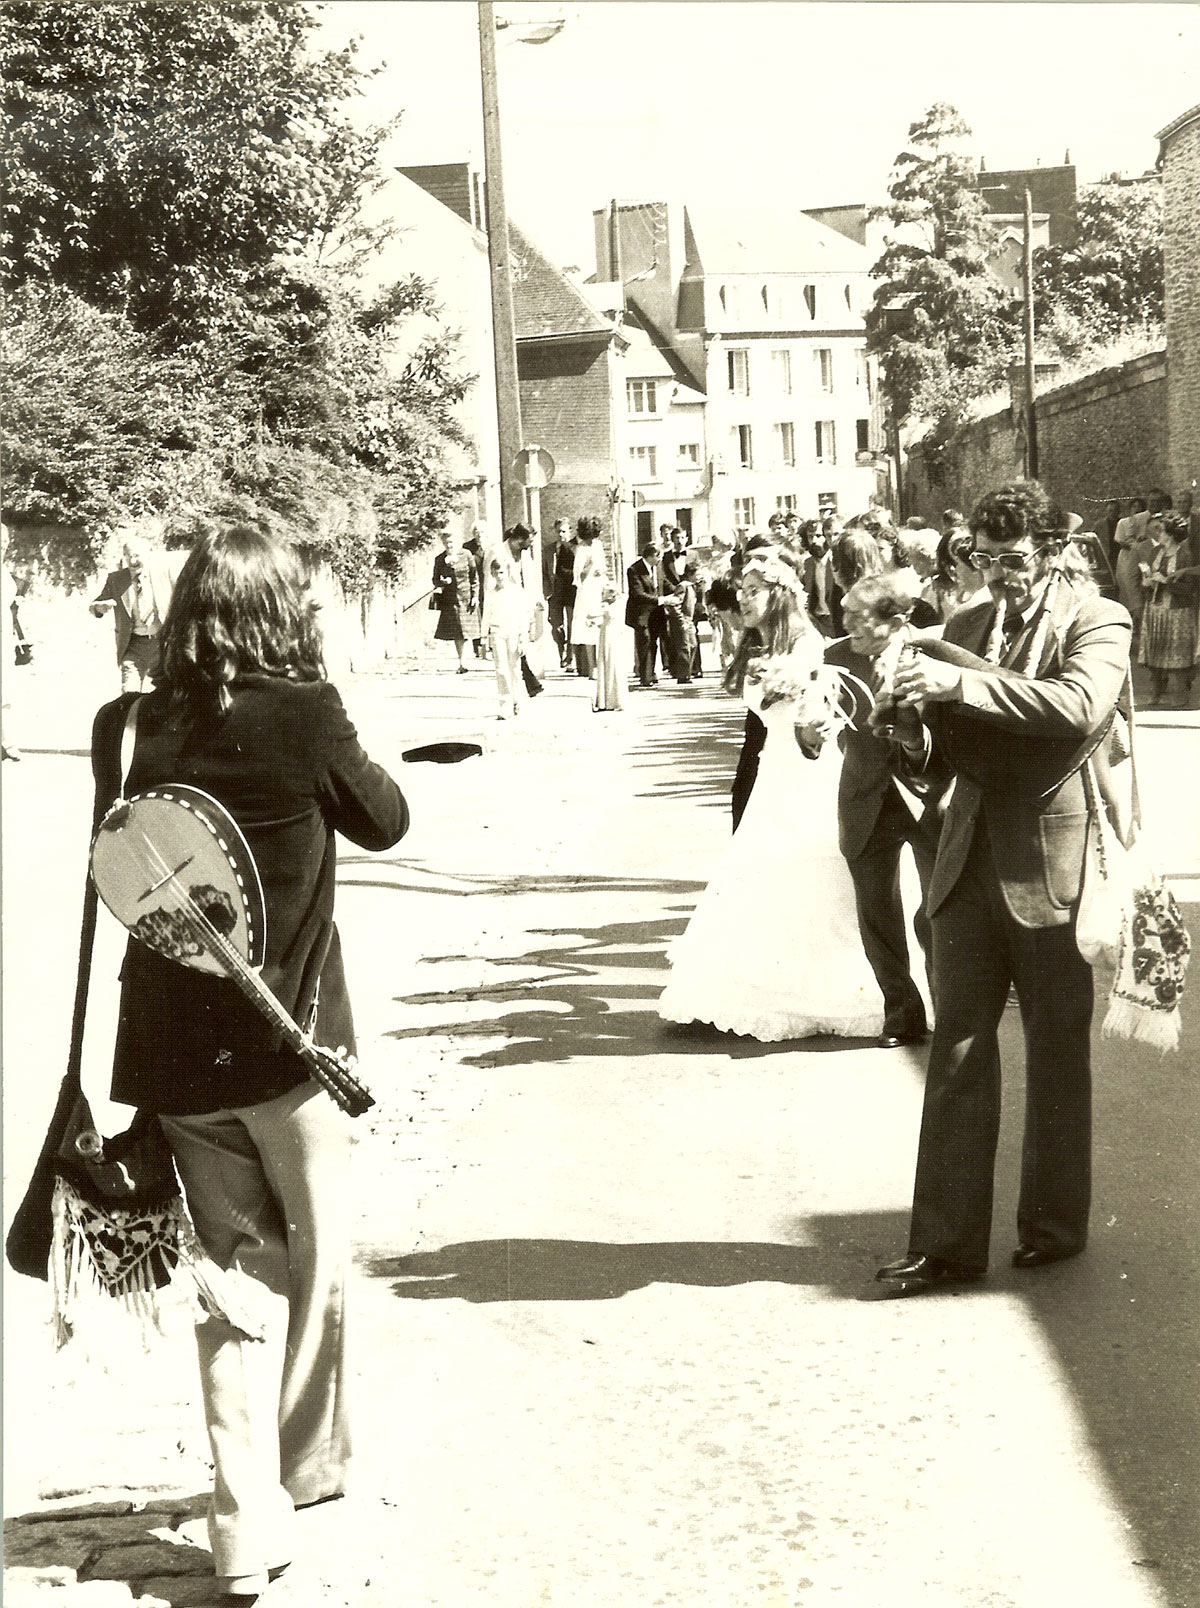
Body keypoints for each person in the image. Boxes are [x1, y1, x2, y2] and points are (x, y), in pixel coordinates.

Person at [90, 524, 410, 1593]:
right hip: (288, 1048)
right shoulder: (308, 712)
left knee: (227, 1276)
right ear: (283, 611)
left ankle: (239, 1520)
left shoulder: (140, 723)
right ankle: (304, 1470)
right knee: (314, 1261)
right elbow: (387, 820)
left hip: (177, 1057)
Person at [871, 480, 1131, 1299]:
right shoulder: (963, 626)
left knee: (1055, 1053)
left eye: (1012, 560)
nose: (996, 576)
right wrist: (908, 728)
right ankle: (944, 1247)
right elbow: (942, 761)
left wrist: (959, 687)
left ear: (1052, 551)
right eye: (982, 559)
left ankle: (1053, 1229)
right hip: (966, 862)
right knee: (956, 1049)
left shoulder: (1097, 619)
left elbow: (1078, 704)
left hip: (1052, 869)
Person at [657, 550, 885, 1041]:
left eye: (753, 591)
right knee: (761, 868)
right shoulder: (761, 643)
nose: (743, 600)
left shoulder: (807, 645)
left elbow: (823, 714)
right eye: (741, 592)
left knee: (810, 867)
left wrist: (810, 722)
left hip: (808, 771)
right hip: (773, 771)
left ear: (779, 594)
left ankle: (830, 991)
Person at [821, 575, 948, 1049]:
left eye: (858, 616)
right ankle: (902, 1013)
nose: (846, 623)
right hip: (864, 797)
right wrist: (811, 732)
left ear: (895, 621)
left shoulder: (933, 655)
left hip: (928, 798)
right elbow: (821, 721)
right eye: (844, 612)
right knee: (876, 913)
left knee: (938, 912)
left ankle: (949, 1009)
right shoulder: (834, 658)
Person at [91, 535, 183, 691]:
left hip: (162, 643)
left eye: (136, 555)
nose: (132, 561)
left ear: (148, 553)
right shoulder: (116, 579)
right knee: (129, 693)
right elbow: (96, 605)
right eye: (128, 556)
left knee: (168, 692)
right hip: (133, 646)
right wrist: (99, 607)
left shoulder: (165, 574)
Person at [1139, 511, 1199, 708]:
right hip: (1155, 610)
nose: (1159, 534)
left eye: (1162, 531)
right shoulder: (1155, 552)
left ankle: (1181, 693)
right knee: (1155, 650)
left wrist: (1166, 582)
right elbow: (1146, 578)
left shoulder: (1185, 555)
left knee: (1177, 653)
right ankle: (1156, 691)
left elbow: (1190, 588)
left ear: (1172, 534)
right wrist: (1147, 582)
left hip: (1177, 612)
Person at [500, 523, 545, 695]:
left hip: (523, 605)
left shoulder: (525, 555)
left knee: (522, 644)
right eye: (530, 541)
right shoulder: (499, 552)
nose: (531, 544)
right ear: (519, 539)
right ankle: (523, 685)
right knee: (514, 647)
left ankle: (528, 681)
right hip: (506, 606)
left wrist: (538, 598)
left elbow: (531, 578)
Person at [481, 555, 527, 718]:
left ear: (507, 572)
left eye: (501, 572)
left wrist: (523, 638)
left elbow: (523, 616)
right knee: (501, 669)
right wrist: (483, 638)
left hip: (513, 631)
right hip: (496, 632)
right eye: (495, 573)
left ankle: (517, 701)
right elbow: (486, 615)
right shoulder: (490, 593)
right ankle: (505, 704)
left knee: (514, 668)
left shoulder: (516, 591)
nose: (499, 576)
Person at [429, 530, 480, 673]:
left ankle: (476, 655)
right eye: (446, 543)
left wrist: (475, 596)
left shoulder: (466, 555)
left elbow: (474, 577)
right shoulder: (440, 559)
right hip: (451, 599)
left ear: (457, 541)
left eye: (451, 542)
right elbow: (434, 579)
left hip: (467, 597)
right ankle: (462, 662)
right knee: (458, 632)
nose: (449, 545)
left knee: (468, 631)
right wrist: (442, 582)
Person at [625, 537, 665, 688]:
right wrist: (661, 600)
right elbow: (637, 594)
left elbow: (663, 583)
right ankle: (645, 677)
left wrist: (678, 591)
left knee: (653, 643)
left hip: (656, 614)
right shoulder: (634, 570)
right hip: (641, 614)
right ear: (651, 555)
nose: (660, 559)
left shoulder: (657, 568)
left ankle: (651, 672)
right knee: (644, 642)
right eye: (658, 556)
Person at [569, 516, 604, 678]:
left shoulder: (598, 545)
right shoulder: (581, 549)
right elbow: (579, 575)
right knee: (588, 628)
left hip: (599, 587)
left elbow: (602, 566)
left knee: (600, 626)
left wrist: (601, 571)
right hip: (586, 592)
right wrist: (590, 565)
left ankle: (601, 664)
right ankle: (592, 668)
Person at [545, 518, 576, 668]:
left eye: (563, 531)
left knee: (571, 624)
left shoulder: (575, 549)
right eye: (558, 531)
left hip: (570, 591)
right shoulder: (548, 550)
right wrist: (546, 591)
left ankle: (569, 657)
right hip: (554, 592)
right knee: (556, 625)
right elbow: (544, 572)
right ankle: (561, 649)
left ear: (570, 531)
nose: (560, 534)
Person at [593, 582, 625, 712]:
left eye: (604, 593)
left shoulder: (607, 606)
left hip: (609, 636)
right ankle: (612, 699)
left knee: (608, 663)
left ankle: (609, 700)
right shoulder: (617, 605)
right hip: (612, 634)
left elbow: (591, 613)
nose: (601, 595)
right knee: (611, 664)